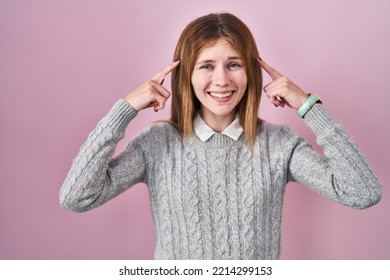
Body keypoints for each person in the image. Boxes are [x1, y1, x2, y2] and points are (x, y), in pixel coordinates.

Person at [60, 13, 382, 260]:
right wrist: (125, 109)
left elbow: (362, 192)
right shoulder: (156, 145)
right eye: (206, 66)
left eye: (233, 64)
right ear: (186, 74)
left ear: (250, 72)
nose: (221, 79)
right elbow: (76, 196)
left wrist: (308, 106)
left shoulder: (279, 145)